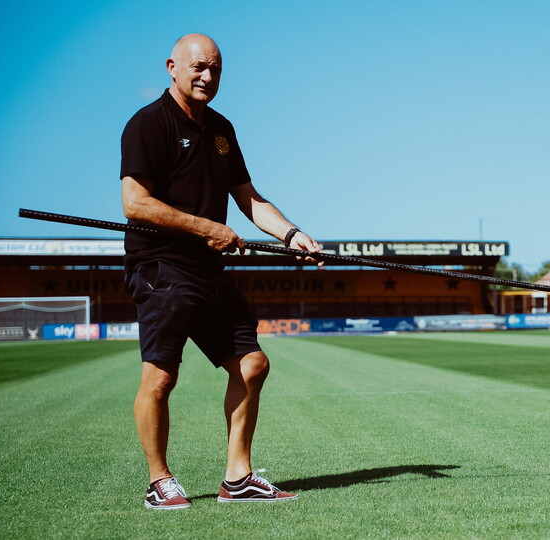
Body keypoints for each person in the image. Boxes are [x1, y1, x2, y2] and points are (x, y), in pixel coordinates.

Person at [121, 33, 322, 509]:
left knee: (252, 364)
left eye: (215, 69)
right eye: (197, 68)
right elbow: (135, 203)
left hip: (208, 266)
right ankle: (159, 480)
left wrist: (292, 235)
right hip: (160, 264)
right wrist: (205, 227)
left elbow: (249, 197)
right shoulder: (148, 124)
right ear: (172, 67)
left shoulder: (222, 128)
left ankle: (238, 477)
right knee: (160, 378)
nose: (207, 77)